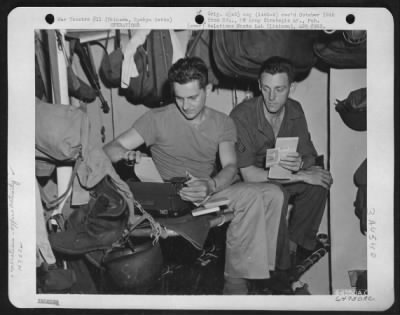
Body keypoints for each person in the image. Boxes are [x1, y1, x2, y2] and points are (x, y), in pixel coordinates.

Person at [104, 57, 287, 295]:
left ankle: (263, 272)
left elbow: (231, 165)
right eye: (179, 98)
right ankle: (236, 285)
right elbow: (109, 149)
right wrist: (126, 154)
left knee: (273, 193)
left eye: (193, 97)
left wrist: (210, 185)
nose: (186, 105)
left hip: (206, 190)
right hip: (169, 197)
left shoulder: (223, 122)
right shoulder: (156, 119)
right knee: (254, 197)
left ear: (207, 89)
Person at [230, 56, 333, 265]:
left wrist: (301, 165)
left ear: (291, 87)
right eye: (266, 88)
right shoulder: (242, 116)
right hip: (247, 181)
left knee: (320, 182)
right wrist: (301, 175)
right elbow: (248, 174)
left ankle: (296, 244)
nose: (271, 97)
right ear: (259, 85)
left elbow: (309, 155)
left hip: (282, 175)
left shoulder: (295, 109)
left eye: (279, 89)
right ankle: (279, 263)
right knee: (278, 194)